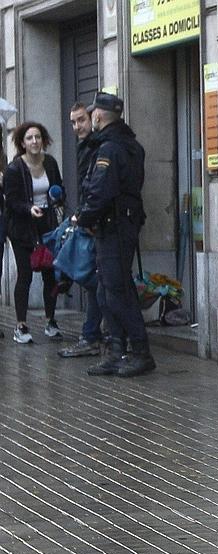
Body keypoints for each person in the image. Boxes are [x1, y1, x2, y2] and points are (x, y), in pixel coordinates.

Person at [77, 92, 155, 378]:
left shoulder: (109, 149)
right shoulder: (130, 145)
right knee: (107, 290)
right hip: (120, 224)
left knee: (117, 291)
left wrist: (84, 218)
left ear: (97, 116)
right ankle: (117, 349)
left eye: (92, 114)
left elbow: (100, 189)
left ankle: (140, 351)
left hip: (113, 226)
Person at [4, 121, 64, 344]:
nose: (34, 141)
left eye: (38, 137)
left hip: (47, 225)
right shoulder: (14, 168)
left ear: (43, 139)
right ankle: (21, 325)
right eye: (29, 138)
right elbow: (11, 201)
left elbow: (59, 189)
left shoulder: (50, 163)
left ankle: (51, 321)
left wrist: (58, 196)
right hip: (22, 227)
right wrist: (29, 208)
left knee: (50, 274)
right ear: (22, 143)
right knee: (25, 275)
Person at [59, 101, 104, 358]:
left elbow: (96, 188)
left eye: (81, 120)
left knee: (94, 281)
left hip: (96, 224)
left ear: (92, 118)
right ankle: (94, 334)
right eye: (74, 122)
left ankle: (93, 336)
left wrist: (85, 217)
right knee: (92, 281)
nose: (77, 126)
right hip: (88, 221)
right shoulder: (84, 147)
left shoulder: (98, 146)